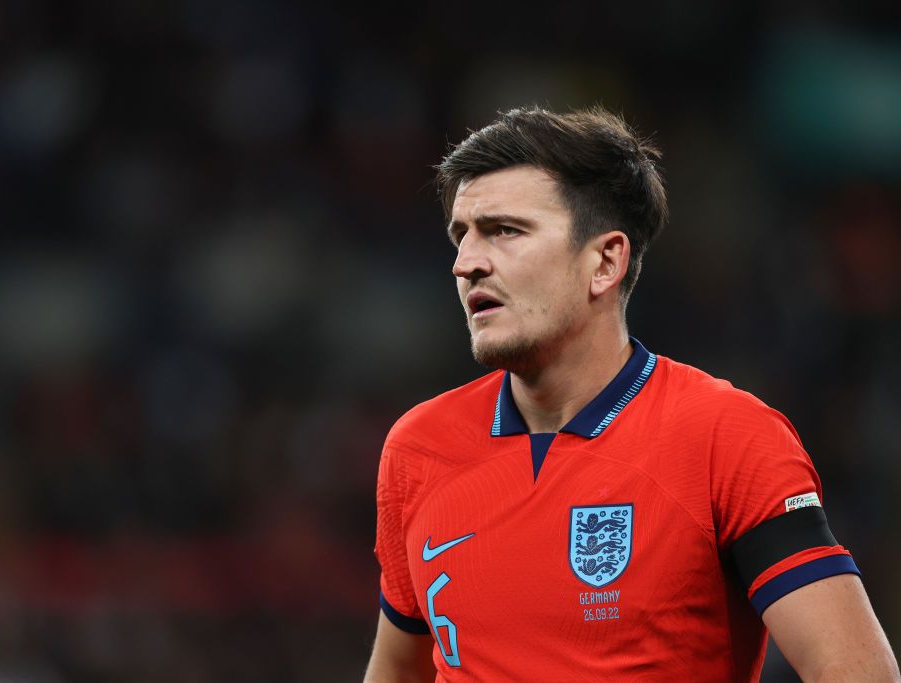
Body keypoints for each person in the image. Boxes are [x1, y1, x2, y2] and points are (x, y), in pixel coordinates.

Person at [363, 106, 900, 682]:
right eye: (460, 236)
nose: (466, 263)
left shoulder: (725, 435)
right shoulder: (417, 447)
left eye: (504, 231)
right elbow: (397, 673)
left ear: (605, 262)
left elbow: (858, 672)